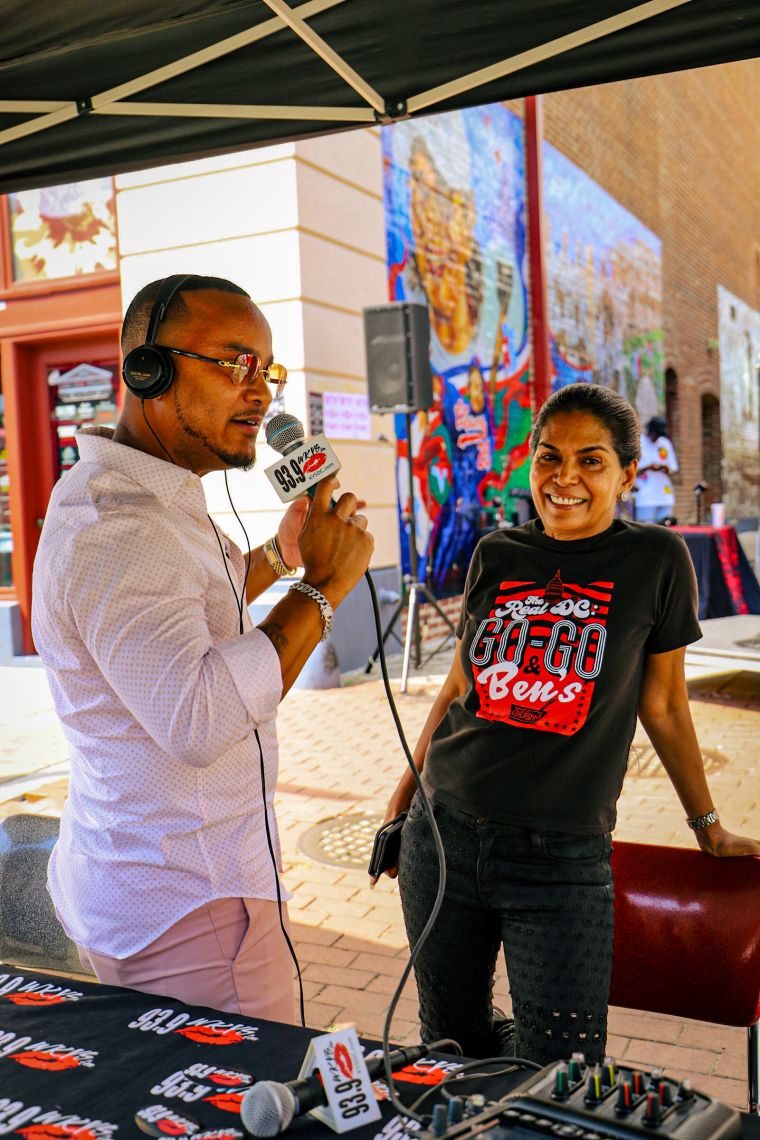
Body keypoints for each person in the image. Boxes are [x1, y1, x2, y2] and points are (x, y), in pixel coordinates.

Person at [379, 382, 759, 1065]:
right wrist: (401, 803)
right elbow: (461, 686)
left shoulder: (656, 559)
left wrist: (708, 827)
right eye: (550, 456)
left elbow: (665, 705)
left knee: (562, 1066)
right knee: (450, 1045)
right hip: (442, 838)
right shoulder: (497, 553)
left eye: (591, 460)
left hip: (560, 859)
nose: (565, 477)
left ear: (627, 475)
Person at [32, 274, 373, 1022]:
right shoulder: (123, 528)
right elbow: (199, 718)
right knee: (247, 1087)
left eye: (268, 369)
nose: (261, 392)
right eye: (235, 362)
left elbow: (186, 611)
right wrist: (323, 588)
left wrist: (280, 558)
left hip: (146, 881)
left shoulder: (137, 497)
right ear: (147, 370)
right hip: (192, 906)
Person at [636, 414, 678, 522]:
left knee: (664, 528)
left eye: (659, 435)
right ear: (650, 431)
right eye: (655, 434)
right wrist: (647, 467)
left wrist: (666, 469)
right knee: (646, 529)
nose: (657, 438)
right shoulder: (639, 443)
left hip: (664, 495)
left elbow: (673, 468)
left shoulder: (665, 443)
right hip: (645, 497)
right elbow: (630, 470)